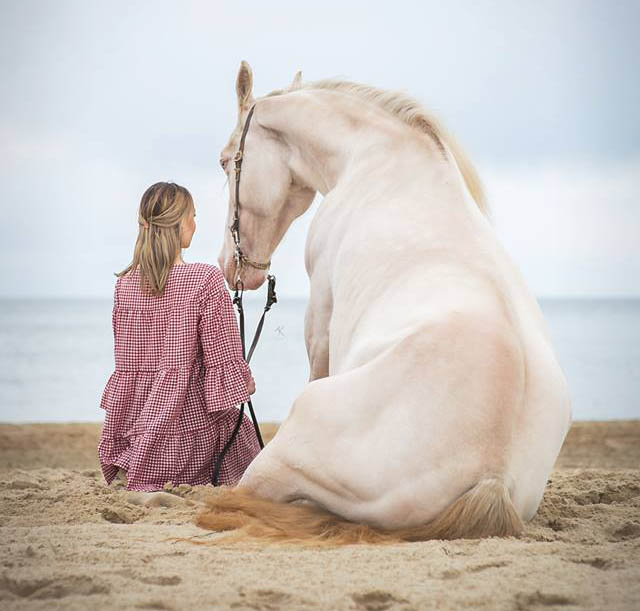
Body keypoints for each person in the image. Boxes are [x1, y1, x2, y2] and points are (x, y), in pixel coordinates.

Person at [98, 181, 260, 491]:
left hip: (133, 439)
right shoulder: (205, 278)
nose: (195, 224)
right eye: (193, 216)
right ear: (180, 222)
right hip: (186, 443)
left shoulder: (124, 285)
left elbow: (126, 368)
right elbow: (222, 356)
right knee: (237, 436)